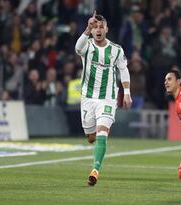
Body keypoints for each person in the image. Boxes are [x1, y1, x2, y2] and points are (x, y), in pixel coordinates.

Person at [75, 11, 132, 186]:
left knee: (101, 131)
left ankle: (95, 170)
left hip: (108, 98)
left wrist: (127, 93)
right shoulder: (87, 46)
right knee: (91, 137)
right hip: (88, 97)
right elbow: (77, 48)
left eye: (101, 27)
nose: (98, 30)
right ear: (92, 30)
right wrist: (86, 28)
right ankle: (102, 131)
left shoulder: (116, 50)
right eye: (95, 27)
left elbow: (123, 70)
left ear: (107, 29)